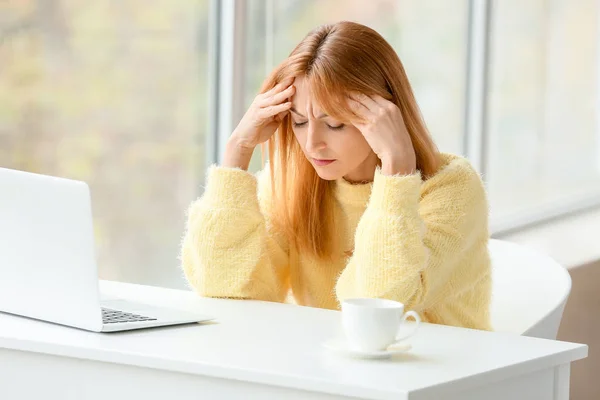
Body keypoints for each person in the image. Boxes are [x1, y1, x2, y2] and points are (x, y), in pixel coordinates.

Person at [181, 21, 491, 330]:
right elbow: (223, 286)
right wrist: (237, 151)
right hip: (327, 369)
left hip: (446, 371)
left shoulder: (452, 188)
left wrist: (397, 171)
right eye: (299, 122)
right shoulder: (289, 184)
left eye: (335, 124)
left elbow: (379, 309)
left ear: (385, 116)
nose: (312, 143)